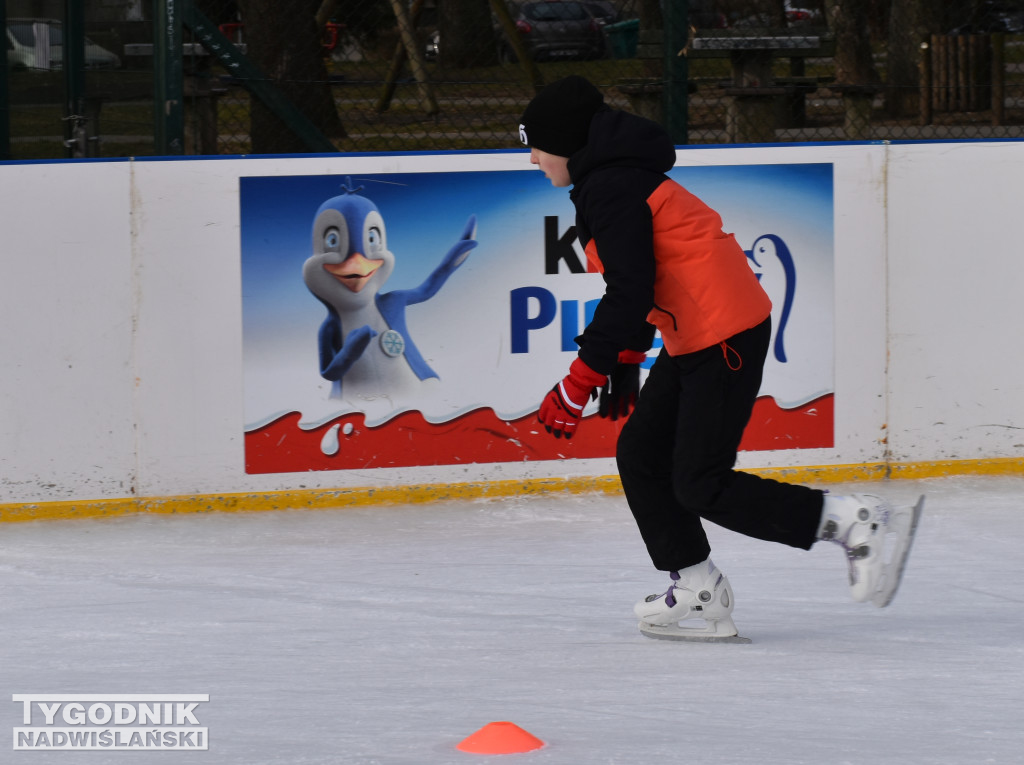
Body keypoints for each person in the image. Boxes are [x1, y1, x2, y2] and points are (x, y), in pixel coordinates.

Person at [519, 76, 922, 641]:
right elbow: (643, 277)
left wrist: (579, 380)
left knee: (700, 482)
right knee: (640, 454)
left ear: (564, 140)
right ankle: (698, 589)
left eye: (535, 144)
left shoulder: (610, 185)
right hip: (699, 331)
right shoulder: (609, 179)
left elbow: (630, 290)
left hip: (722, 332)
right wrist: (629, 355)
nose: (533, 157)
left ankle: (850, 520)